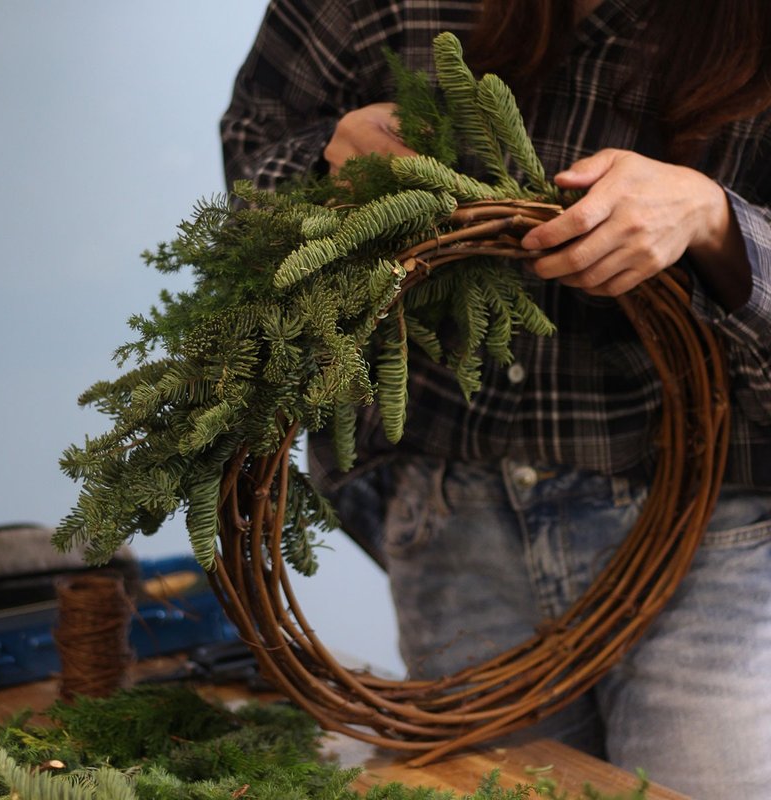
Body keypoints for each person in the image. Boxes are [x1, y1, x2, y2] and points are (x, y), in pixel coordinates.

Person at [221, 1, 771, 796]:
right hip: (456, 521)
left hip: (719, 528)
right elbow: (250, 171)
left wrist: (716, 221)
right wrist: (323, 165)